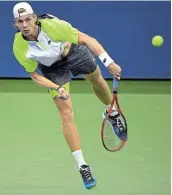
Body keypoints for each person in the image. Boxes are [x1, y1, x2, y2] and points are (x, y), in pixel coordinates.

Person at [12, 2, 122, 190]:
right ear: (16, 24)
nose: (24, 25)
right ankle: (82, 166)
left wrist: (108, 62)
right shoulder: (19, 47)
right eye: (19, 21)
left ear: (34, 18)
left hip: (73, 51)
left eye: (27, 19)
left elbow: (87, 39)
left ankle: (111, 113)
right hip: (52, 69)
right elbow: (35, 76)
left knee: (96, 80)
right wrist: (56, 87)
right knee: (65, 113)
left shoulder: (54, 27)